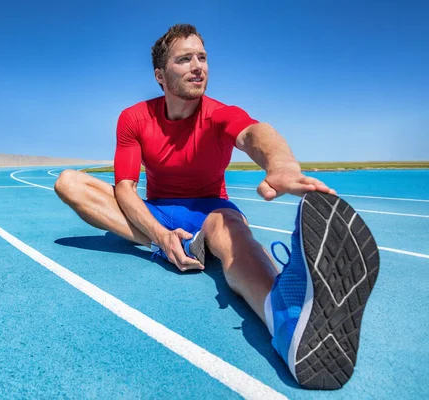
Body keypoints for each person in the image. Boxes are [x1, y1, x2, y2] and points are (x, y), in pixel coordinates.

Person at [54, 24, 379, 390]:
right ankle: (172, 245)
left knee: (233, 233)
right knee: (69, 182)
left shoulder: (218, 114)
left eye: (202, 57)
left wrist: (282, 166)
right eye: (185, 59)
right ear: (160, 76)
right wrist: (160, 235)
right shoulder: (134, 118)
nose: (198, 66)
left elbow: (256, 134)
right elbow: (125, 189)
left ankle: (288, 322)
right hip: (157, 213)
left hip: (210, 211)